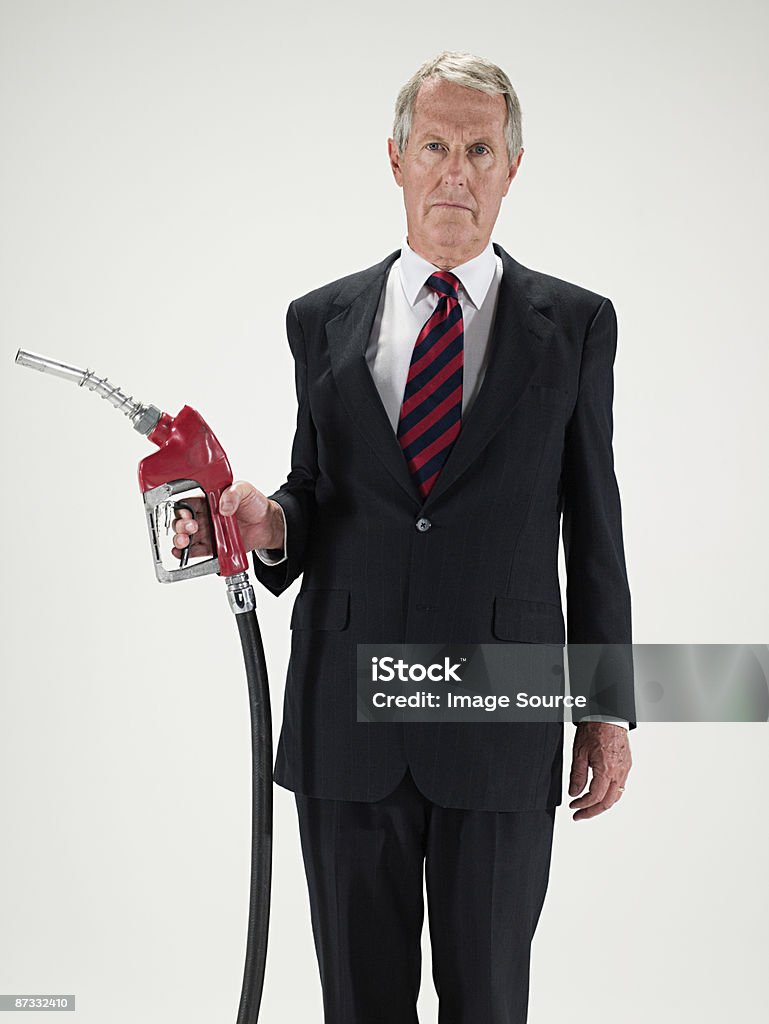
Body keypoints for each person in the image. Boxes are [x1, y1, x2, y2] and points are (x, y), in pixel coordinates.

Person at [173, 50, 635, 1024]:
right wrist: (271, 522)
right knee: (359, 1006)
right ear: (394, 159)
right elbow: (317, 492)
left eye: (479, 147)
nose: (455, 170)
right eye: (434, 145)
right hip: (346, 720)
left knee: (489, 1003)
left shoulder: (576, 326)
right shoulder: (323, 321)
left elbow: (594, 527)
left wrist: (603, 709)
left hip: (500, 727)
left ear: (513, 166)